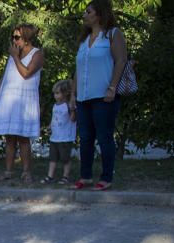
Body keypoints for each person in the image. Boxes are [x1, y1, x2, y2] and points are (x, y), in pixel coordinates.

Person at [74, 0, 128, 191]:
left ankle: (106, 177)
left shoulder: (112, 34)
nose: (84, 15)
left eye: (88, 12)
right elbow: (78, 69)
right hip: (83, 97)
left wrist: (112, 87)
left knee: (104, 137)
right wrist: (74, 94)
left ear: (99, 14)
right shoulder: (84, 40)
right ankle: (85, 176)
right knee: (86, 138)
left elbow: (121, 60)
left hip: (104, 96)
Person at [0, 23, 44, 184]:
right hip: (8, 100)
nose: (14, 40)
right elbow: (4, 79)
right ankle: (8, 171)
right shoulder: (14, 54)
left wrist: (15, 57)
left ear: (26, 38)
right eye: (13, 37)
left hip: (24, 101)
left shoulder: (37, 54)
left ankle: (27, 172)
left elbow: (26, 73)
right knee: (10, 138)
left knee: (23, 138)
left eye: (17, 37)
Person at [44, 79, 77, 184]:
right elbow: (54, 118)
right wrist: (50, 126)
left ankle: (66, 176)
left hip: (65, 137)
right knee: (52, 158)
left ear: (65, 93)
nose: (55, 96)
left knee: (65, 158)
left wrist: (72, 111)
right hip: (55, 137)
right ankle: (50, 176)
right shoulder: (55, 106)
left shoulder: (68, 105)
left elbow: (72, 119)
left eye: (57, 93)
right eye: (54, 93)